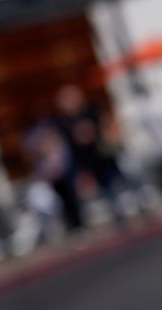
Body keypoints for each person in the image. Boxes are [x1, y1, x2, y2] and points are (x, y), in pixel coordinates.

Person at [53, 85, 126, 224]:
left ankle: (119, 212)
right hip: (84, 164)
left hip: (103, 158)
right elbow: (67, 146)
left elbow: (105, 128)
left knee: (113, 187)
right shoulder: (63, 122)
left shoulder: (92, 111)